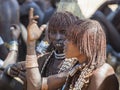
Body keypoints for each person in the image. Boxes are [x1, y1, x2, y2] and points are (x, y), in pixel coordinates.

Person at [26, 13, 119, 90]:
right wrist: (31, 43)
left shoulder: (100, 74)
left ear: (82, 44)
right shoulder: (77, 68)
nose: (64, 42)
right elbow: (36, 85)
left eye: (69, 39)